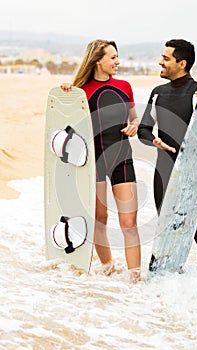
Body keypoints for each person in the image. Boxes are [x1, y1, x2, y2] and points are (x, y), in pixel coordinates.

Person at [138, 39, 197, 272]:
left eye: (166, 58)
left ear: (182, 63)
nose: (160, 61)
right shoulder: (157, 93)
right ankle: (165, 281)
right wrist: (154, 141)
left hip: (192, 175)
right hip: (164, 171)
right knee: (166, 229)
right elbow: (143, 130)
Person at [61, 39, 141, 283]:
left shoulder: (124, 86)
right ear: (98, 60)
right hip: (92, 161)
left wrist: (135, 126)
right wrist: (67, 91)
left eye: (118, 57)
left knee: (129, 222)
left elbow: (134, 118)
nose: (118, 62)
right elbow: (65, 122)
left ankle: (135, 280)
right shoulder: (80, 90)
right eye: (113, 57)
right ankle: (107, 267)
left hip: (121, 157)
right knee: (100, 219)